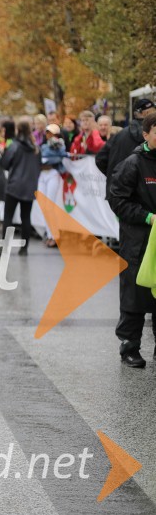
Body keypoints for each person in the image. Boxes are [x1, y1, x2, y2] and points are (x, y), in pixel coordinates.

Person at [107, 112, 156, 368]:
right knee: (134, 295)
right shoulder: (133, 163)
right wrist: (147, 217)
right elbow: (117, 200)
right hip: (138, 242)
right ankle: (129, 347)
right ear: (146, 134)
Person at [96, 98, 156, 198]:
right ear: (147, 113)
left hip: (120, 194)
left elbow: (100, 159)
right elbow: (100, 159)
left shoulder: (119, 135)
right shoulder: (150, 138)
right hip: (137, 196)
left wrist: (117, 176)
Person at [2, 117, 41, 256]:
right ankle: (24, 248)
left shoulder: (14, 145)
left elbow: (5, 164)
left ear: (18, 129)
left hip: (14, 185)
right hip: (30, 186)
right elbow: (39, 166)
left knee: (8, 217)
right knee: (26, 217)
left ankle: (5, 247)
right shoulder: (35, 148)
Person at [39, 124, 68, 247]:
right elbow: (41, 157)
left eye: (51, 133)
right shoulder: (44, 146)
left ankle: (54, 236)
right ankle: (49, 233)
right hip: (42, 174)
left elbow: (61, 157)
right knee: (44, 206)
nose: (49, 135)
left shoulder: (60, 145)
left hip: (53, 173)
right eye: (47, 132)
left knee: (49, 206)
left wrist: (48, 158)